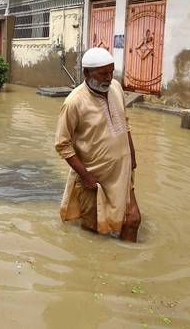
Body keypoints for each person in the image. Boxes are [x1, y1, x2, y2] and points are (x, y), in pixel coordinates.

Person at [54, 47, 141, 242]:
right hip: (94, 179)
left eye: (111, 72)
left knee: (132, 220)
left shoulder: (116, 88)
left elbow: (125, 123)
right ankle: (93, 264)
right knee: (93, 229)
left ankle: (128, 267)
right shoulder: (73, 103)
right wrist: (85, 176)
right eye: (103, 74)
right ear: (86, 73)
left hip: (122, 172)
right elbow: (62, 144)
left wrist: (132, 157)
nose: (108, 78)